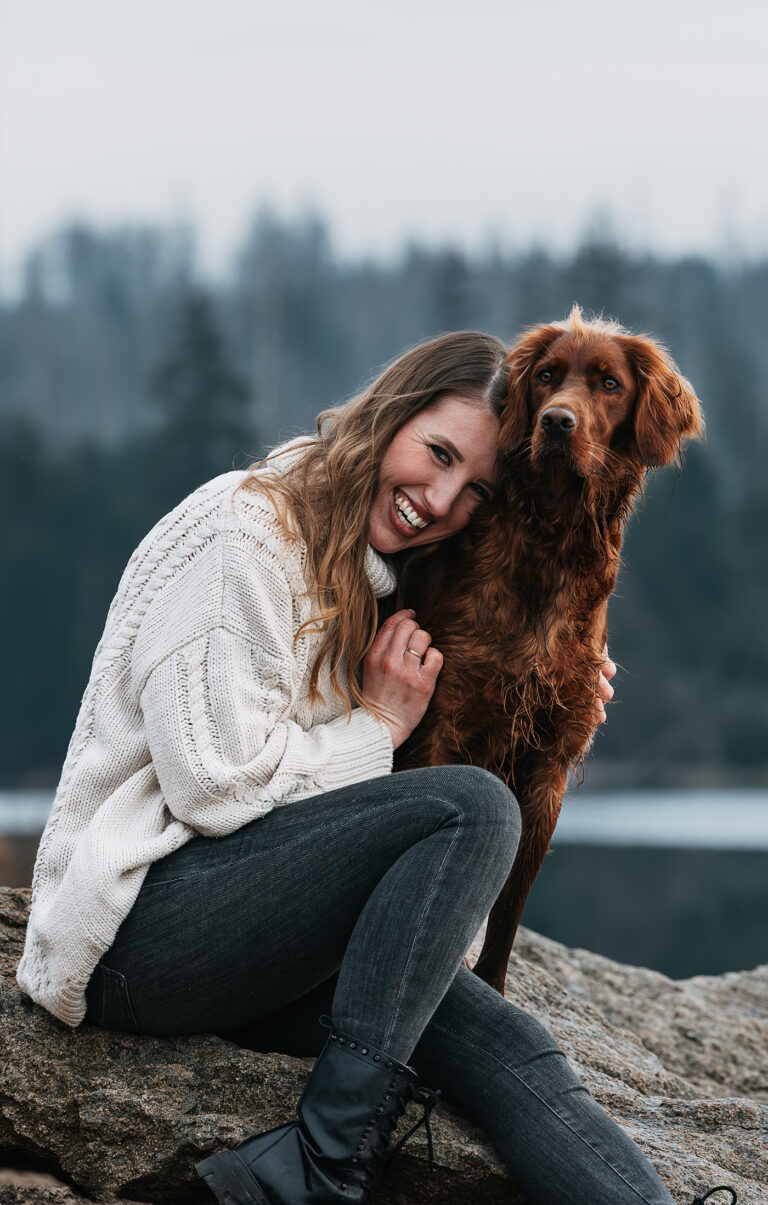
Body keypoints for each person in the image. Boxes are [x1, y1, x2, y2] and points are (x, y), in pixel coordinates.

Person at [16, 331, 734, 1205]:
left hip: (260, 940)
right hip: (134, 935)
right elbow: (217, 786)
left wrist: (563, 676)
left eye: (475, 489)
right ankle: (322, 1165)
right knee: (471, 808)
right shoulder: (240, 530)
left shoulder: (384, 572)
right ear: (391, 411)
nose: (438, 500)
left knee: (508, 1044)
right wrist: (377, 724)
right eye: (436, 455)